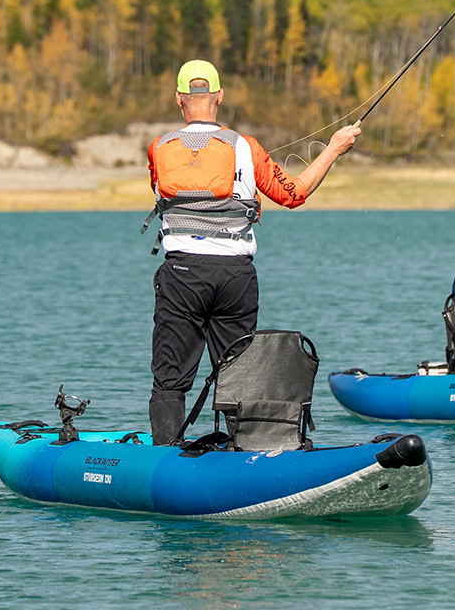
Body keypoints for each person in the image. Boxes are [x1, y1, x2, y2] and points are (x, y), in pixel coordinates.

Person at [144, 59, 360, 444]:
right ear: (219, 97)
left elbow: (161, 189)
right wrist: (334, 149)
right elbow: (294, 195)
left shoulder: (158, 148)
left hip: (182, 275)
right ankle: (246, 455)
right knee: (239, 375)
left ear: (179, 98)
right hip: (235, 278)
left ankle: (165, 458)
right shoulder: (247, 147)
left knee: (170, 378)